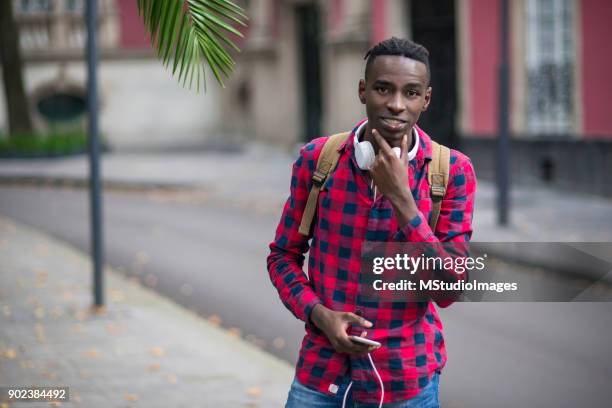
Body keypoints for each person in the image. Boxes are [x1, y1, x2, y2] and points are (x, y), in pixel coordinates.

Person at [267, 37, 477, 407]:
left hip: (406, 382)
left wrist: (403, 202)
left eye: (411, 93)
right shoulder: (319, 160)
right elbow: (282, 257)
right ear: (363, 91)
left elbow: (450, 289)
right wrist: (318, 315)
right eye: (383, 88)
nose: (396, 104)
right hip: (321, 377)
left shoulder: (451, 173)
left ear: (425, 100)